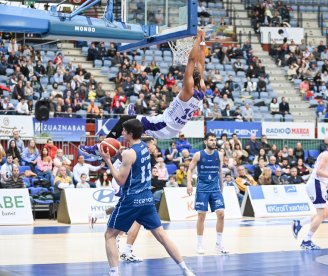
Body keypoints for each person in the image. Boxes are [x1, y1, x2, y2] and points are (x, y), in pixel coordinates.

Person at [80, 28, 207, 158]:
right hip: (169, 125)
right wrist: (202, 40)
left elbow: (192, 60)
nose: (195, 69)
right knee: (132, 123)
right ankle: (133, 122)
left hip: (164, 126)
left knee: (125, 120)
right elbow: (201, 61)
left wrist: (197, 39)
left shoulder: (187, 90)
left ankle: (99, 149)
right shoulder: (201, 89)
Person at [99, 118, 193, 276]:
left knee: (109, 235)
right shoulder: (144, 147)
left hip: (131, 199)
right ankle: (185, 269)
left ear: (129, 133)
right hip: (147, 198)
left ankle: (114, 273)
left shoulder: (129, 153)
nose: (121, 133)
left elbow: (121, 181)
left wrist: (108, 161)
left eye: (123, 131)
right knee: (162, 236)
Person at [292, 135, 328, 249]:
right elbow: (319, 172)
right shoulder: (326, 155)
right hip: (316, 184)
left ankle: (300, 223)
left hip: (319, 185)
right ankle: (307, 240)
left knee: (326, 214)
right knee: (321, 215)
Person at [186, 132, 228, 255]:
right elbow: (189, 169)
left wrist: (222, 186)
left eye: (215, 140)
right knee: (201, 216)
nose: (214, 142)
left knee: (221, 214)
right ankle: (199, 244)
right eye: (211, 140)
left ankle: (219, 244)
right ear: (205, 142)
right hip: (202, 189)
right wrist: (189, 184)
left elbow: (220, 171)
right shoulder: (198, 155)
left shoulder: (219, 155)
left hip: (215, 189)